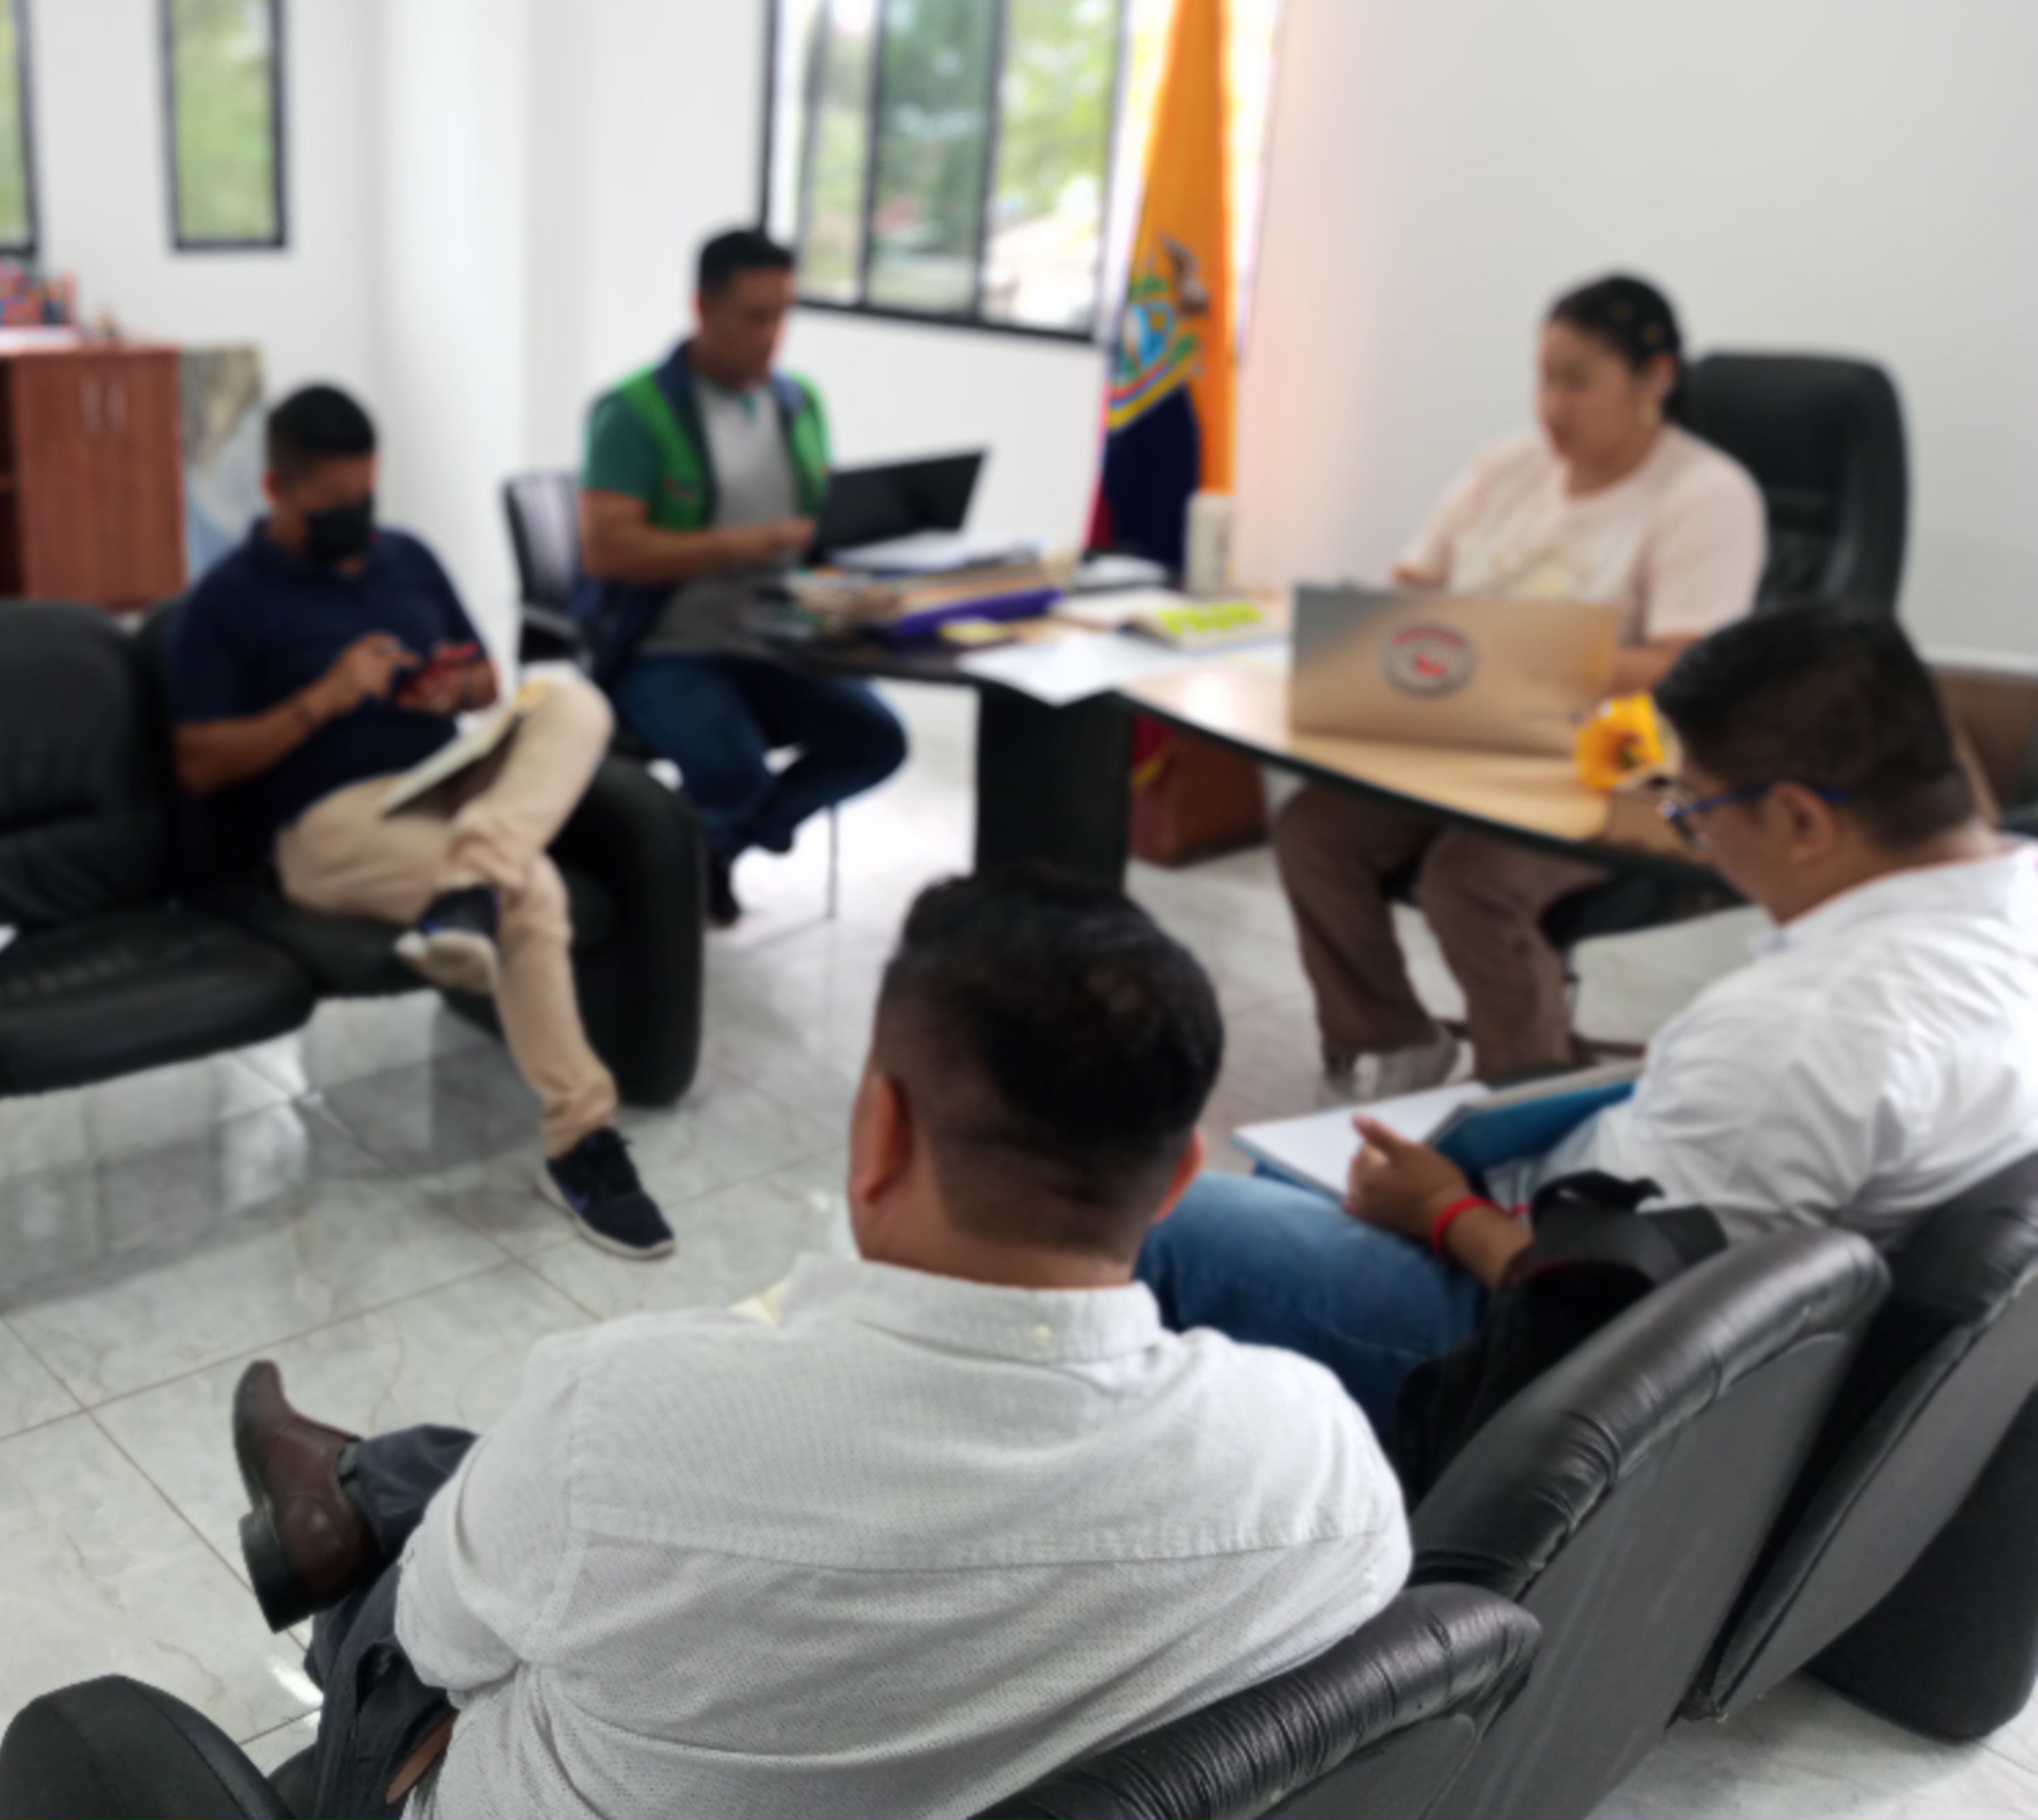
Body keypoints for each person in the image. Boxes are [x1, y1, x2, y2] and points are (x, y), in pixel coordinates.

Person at [216, 869, 1408, 1820]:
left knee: (449, 1561)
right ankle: (362, 1483)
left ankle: (347, 1506)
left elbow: (437, 1646)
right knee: (532, 1499)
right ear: (1180, 1176)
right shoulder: (1322, 1459)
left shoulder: (629, 1409)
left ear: (880, 1129)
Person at [1146, 605, 2038, 1426]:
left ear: (1799, 820)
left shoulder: (1798, 1035)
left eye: (1692, 810)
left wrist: (1445, 1213)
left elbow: (1615, 1330)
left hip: (1527, 1335)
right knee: (1295, 1181)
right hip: (1623, 1229)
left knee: (1168, 1220)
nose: (1698, 838)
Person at [164, 385, 675, 1259]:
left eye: (365, 496)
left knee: (572, 700)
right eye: (333, 505)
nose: (356, 520)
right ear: (275, 490)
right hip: (327, 819)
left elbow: (483, 677)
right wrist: (322, 699)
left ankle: (469, 886)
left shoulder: (406, 557)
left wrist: (457, 688)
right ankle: (579, 1145)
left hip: (446, 781)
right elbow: (199, 762)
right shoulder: (226, 600)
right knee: (532, 890)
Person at [1276, 273, 1769, 1094]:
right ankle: (1393, 1035)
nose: (1550, 404)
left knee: (1469, 880)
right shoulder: (1504, 467)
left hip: (1626, 764)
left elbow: (1687, 667)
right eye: (1543, 376)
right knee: (1312, 830)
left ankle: (1528, 1093)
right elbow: (1413, 585)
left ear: (1653, 379)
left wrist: (1511, 654)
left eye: (1576, 381)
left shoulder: (1706, 496)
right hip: (1475, 732)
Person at [577, 227, 909, 926]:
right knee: (732, 773)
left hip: (782, 635)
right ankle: (708, 844)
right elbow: (607, 552)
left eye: (783, 315)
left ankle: (708, 849)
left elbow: (817, 528)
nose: (771, 336)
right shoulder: (635, 413)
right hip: (670, 644)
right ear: (702, 308)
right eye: (754, 316)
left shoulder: (799, 401)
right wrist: (750, 543)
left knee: (878, 743)